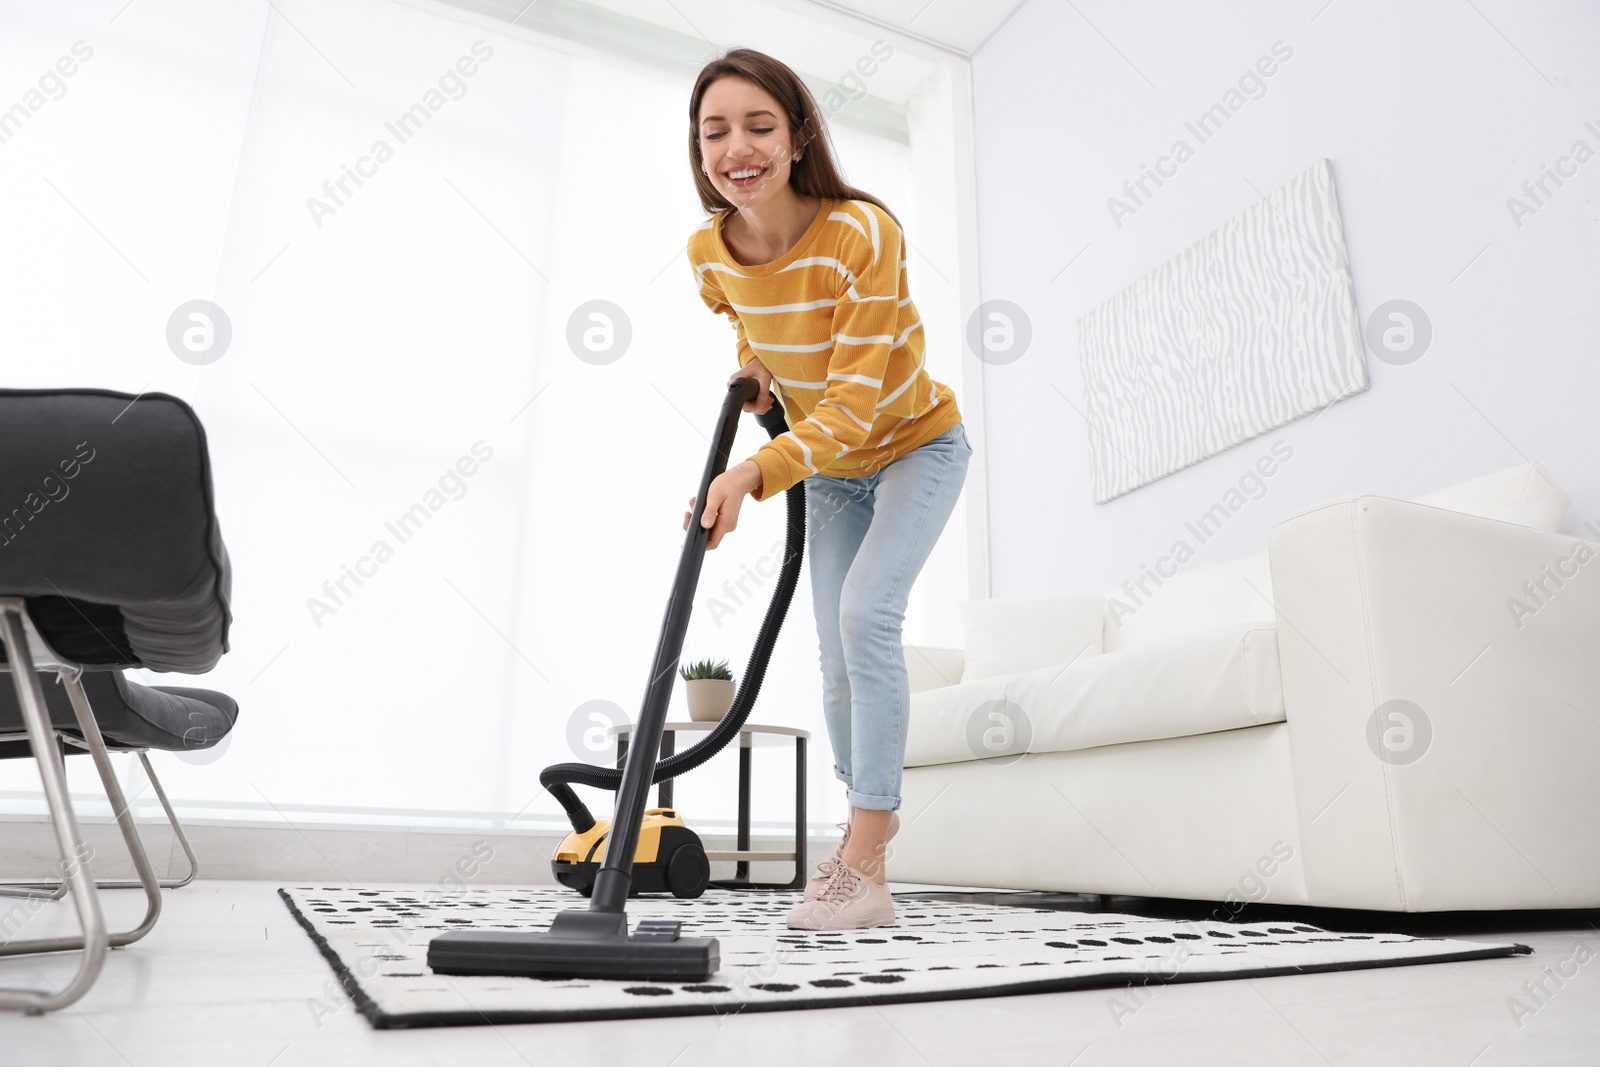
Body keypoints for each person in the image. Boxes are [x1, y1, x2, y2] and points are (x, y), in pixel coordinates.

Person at [681, 49, 971, 931]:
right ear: (697, 151)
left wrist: (752, 470)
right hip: (829, 467)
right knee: (834, 651)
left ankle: (865, 862)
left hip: (916, 444)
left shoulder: (861, 234)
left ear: (799, 134)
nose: (738, 147)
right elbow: (746, 318)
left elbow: (852, 405)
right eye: (715, 131)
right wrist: (758, 371)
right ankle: (858, 848)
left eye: (760, 126)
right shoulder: (709, 251)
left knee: (866, 616)